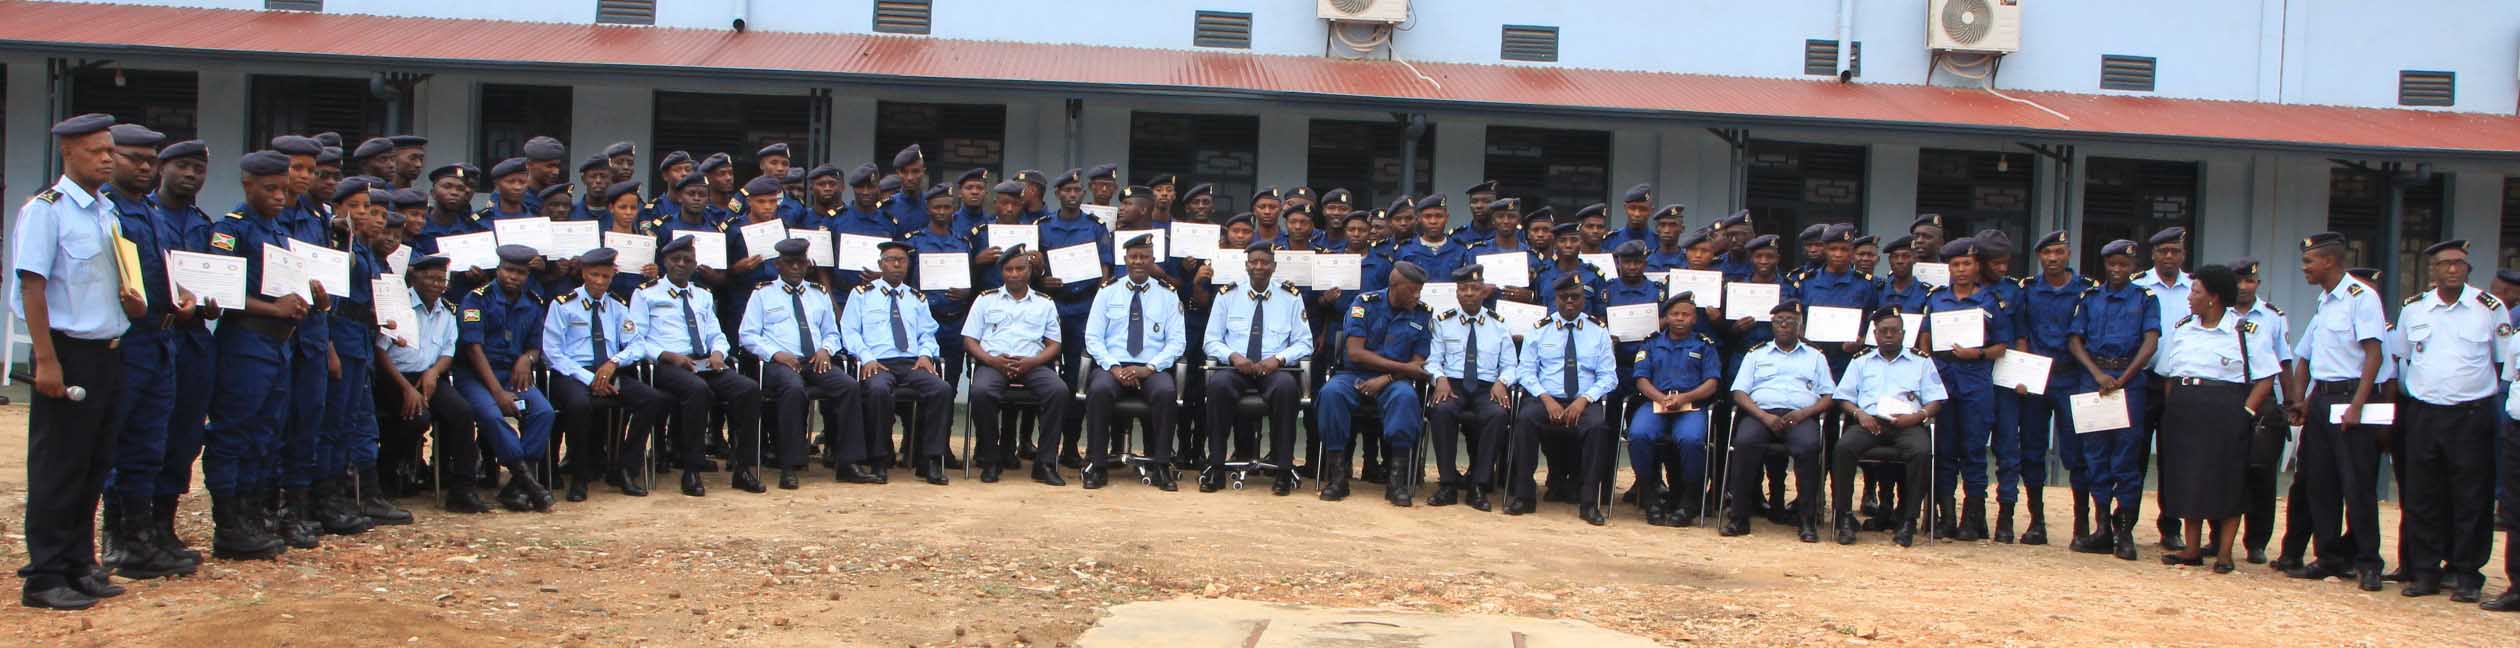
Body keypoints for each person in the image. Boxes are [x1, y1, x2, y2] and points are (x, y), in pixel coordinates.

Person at [12, 113, 150, 608]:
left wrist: (133, 304)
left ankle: (79, 563)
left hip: (109, 352)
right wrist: (45, 360)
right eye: (98, 151)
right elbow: (33, 285)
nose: (108, 158)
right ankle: (45, 576)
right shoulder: (46, 211)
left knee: (94, 464)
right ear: (69, 152)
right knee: (59, 468)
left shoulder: (104, 212)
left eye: (111, 150)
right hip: (67, 352)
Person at [95, 123, 200, 581]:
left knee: (149, 443)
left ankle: (142, 536)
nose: (143, 167)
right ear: (110, 158)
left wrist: (186, 298)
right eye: (132, 158)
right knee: (118, 443)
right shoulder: (109, 212)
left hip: (164, 338)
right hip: (129, 342)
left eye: (149, 160)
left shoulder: (151, 214)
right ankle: (118, 541)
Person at [2391, 240, 2509, 601]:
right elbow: (2402, 359)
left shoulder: (2489, 308)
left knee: (2471, 496)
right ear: (2433, 270)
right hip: (2424, 413)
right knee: (2423, 495)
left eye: (2459, 264)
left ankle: (2467, 573)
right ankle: (2425, 572)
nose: (2453, 269)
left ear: (2468, 269)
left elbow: (2502, 362)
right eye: (2446, 264)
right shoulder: (2414, 309)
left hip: (2471, 415)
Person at [2150, 264, 2282, 573]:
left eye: (2195, 291)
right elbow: (2169, 373)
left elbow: (2265, 378)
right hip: (2185, 408)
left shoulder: (2244, 331)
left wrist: (2246, 411)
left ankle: (2224, 553)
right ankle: (2191, 549)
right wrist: (2175, 408)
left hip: (2226, 409)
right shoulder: (2183, 327)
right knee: (2188, 477)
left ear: (2213, 298)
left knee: (2228, 480)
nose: (2190, 297)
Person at [2286, 231, 2390, 591]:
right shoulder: (2325, 301)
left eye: (2309, 262)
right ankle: (2328, 557)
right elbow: (2314, 359)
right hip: (2323, 400)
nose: (2305, 269)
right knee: (2321, 483)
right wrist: (2304, 401)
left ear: (2329, 260)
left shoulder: (2361, 298)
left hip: (2352, 399)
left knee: (2357, 485)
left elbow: (2373, 355)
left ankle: (2368, 562)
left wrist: (2358, 405)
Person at [632, 235, 765, 496]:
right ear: (665, 262)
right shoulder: (646, 294)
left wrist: (718, 353)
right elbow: (637, 339)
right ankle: (692, 469)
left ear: (695, 265)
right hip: (666, 365)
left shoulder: (702, 295)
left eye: (688, 260)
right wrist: (670, 356)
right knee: (697, 390)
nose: (681, 264)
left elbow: (716, 333)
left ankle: (743, 468)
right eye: (675, 260)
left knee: (748, 389)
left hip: (704, 361)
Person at [540, 248, 671, 502]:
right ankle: (579, 475)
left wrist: (613, 362)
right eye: (594, 275)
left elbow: (637, 344)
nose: (599, 281)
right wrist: (591, 379)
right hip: (573, 374)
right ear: (583, 273)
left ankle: (624, 468)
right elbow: (552, 353)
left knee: (652, 400)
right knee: (579, 404)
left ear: (613, 275)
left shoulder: (618, 306)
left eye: (605, 276)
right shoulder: (563, 304)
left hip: (609, 369)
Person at [739, 239, 863, 491]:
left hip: (814, 360)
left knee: (849, 386)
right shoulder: (762, 293)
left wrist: (825, 350)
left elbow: (832, 332)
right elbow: (748, 335)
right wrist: (775, 354)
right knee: (793, 389)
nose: (796, 267)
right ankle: (789, 466)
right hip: (780, 363)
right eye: (790, 263)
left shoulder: (819, 294)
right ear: (778, 265)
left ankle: (849, 463)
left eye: (801, 263)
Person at [151, 139, 219, 565]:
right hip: (158, 334)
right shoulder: (146, 216)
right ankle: (128, 529)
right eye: (182, 166)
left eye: (198, 168)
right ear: (163, 168)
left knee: (186, 434)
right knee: (146, 434)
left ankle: (164, 524)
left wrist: (216, 301)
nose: (191, 175)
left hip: (194, 337)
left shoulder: (201, 222)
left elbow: (216, 277)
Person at [374, 256, 487, 512]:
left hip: (430, 376)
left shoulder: (446, 310)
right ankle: (388, 477)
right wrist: (406, 389)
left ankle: (462, 489)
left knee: (462, 412)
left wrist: (433, 373)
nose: (437, 285)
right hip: (396, 377)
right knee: (416, 417)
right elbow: (380, 352)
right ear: (414, 277)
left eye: (441, 280)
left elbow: (448, 350)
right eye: (430, 278)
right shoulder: (398, 306)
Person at [1199, 242, 1312, 494]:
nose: (1259, 267)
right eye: (1254, 262)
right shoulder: (1227, 295)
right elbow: (1211, 340)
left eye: (1265, 262)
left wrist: (1279, 359)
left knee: (1286, 389)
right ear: (1246, 265)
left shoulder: (1290, 296)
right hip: (1237, 369)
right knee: (1217, 386)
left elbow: (1305, 343)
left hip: (1274, 371)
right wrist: (1233, 356)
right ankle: (1216, 467)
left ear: (1274, 266)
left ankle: (1282, 470)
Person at [841, 240, 957, 485]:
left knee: (941, 389)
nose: (896, 264)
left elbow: (927, 333)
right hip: (878, 363)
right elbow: (850, 332)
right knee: (878, 390)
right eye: (890, 260)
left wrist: (926, 354)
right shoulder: (862, 295)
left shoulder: (916, 298)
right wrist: (867, 358)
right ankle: (879, 460)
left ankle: (930, 461)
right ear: (880, 264)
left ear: (908, 265)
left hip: (911, 363)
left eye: (901, 260)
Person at [455, 245, 560, 511]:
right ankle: (527, 480)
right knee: (491, 415)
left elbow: (536, 345)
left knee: (544, 412)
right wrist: (498, 393)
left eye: (521, 272)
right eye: (509, 270)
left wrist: (528, 359)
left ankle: (516, 485)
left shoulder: (533, 302)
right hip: (477, 376)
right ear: (498, 269)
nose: (514, 276)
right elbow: (472, 349)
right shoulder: (477, 299)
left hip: (513, 375)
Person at [1828, 306, 1943, 548]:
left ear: (1903, 333)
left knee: (1921, 452)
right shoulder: (1861, 361)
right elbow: (1843, 397)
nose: (1889, 335)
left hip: (1908, 423)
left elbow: (1936, 400)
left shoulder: (1921, 362)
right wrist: (1859, 414)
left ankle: (1907, 521)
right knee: (1843, 448)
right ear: (1875, 334)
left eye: (1894, 331)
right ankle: (1845, 517)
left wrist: (1918, 416)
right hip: (1870, 422)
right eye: (1883, 331)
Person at [1318, 261, 1434, 502]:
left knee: (1405, 398)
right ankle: (1338, 478)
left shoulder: (1422, 313)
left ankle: (1396, 482)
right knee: (1331, 393)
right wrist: (1400, 369)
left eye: (1420, 289)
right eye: (1412, 289)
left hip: (1395, 382)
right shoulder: (1364, 304)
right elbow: (1356, 353)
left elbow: (1418, 365)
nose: (1417, 294)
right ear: (1394, 286)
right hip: (1354, 374)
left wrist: (1388, 377)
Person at [1922, 237, 2013, 541]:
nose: (1961, 270)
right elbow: (1924, 339)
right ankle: (1946, 517)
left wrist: (1979, 354)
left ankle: (1972, 519)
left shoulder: (1991, 301)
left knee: (1973, 450)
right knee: (1944, 450)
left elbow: (2002, 345)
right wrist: (1927, 364)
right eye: (1955, 265)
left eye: (1967, 264)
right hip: (1943, 378)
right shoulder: (1936, 299)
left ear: (1977, 267)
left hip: (1975, 379)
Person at [1081, 234, 1188, 491]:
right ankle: (1097, 464)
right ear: (1125, 259)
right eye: (1133, 257)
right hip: (1113, 365)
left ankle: (1161, 466)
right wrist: (1114, 367)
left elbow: (1177, 343)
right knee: (1099, 390)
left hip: (1151, 366)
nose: (1139, 261)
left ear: (1153, 260)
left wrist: (1149, 368)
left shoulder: (1168, 296)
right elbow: (1093, 338)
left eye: (1144, 257)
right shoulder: (1108, 292)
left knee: (1165, 392)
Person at [1721, 302, 1835, 540]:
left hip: (1800, 416)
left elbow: (1828, 396)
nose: (1784, 325)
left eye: (1790, 321)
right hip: (1762, 414)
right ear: (1772, 325)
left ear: (1799, 326)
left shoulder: (1815, 357)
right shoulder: (1756, 354)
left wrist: (1805, 413)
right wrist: (1763, 416)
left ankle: (1806, 521)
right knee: (1744, 443)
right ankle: (1739, 518)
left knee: (1809, 448)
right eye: (1779, 321)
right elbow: (1739, 393)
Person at [1510, 275, 1619, 524]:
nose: (1570, 302)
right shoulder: (1539, 330)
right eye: (1564, 297)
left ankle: (1589, 502)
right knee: (1525, 420)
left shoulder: (1598, 332)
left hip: (1584, 400)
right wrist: (1546, 399)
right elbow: (1525, 371)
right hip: (1545, 397)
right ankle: (1523, 496)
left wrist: (1584, 400)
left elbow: (1609, 377)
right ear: (1555, 299)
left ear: (1584, 299)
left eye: (1575, 297)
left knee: (1597, 427)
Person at [963, 246, 1072, 485]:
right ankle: (991, 460)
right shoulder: (985, 300)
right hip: (993, 363)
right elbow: (970, 339)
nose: (1014, 274)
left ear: (1030, 270)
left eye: (1019, 268)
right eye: (1008, 269)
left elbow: (1054, 344)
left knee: (1058, 391)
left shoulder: (1044, 303)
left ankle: (1044, 464)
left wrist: (1033, 361)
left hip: (1033, 364)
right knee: (981, 392)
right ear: (1002, 272)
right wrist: (991, 360)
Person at [2016, 231, 2094, 546]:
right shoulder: (2028, 289)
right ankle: (2037, 522)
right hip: (2036, 377)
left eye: (2059, 252)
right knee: (2032, 449)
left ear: (2069, 254)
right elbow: (2021, 331)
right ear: (2039, 257)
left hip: (2071, 377)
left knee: (2077, 452)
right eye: (2047, 253)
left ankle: (2081, 525)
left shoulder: (2087, 290)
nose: (2053, 259)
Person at [1424, 264, 1516, 510]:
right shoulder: (1443, 322)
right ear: (1456, 293)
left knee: (1497, 415)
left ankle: (1478, 484)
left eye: (1474, 288)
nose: (1468, 294)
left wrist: (1502, 382)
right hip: (1452, 384)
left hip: (1488, 387)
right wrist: (1438, 378)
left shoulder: (1499, 325)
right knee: (1441, 411)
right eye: (1463, 289)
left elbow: (1510, 365)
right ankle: (1447, 484)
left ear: (1484, 292)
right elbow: (1433, 359)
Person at [1628, 291, 1722, 527]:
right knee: (1639, 435)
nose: (1680, 318)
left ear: (1694, 319)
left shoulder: (1704, 345)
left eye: (1685, 314)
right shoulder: (1651, 343)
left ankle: (1689, 501)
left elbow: (1712, 382)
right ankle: (1650, 498)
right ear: (1666, 318)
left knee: (1690, 440)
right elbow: (1641, 379)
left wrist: (1684, 398)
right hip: (1656, 403)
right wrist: (1661, 398)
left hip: (1691, 405)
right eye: (1674, 314)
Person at [2130, 227, 2195, 551]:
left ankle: (2171, 525)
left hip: (2180, 384)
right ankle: (2124, 521)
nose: (2169, 257)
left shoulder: (2196, 289)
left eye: (2175, 251)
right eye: (2163, 251)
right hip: (2143, 380)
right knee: (2134, 454)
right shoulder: (2137, 285)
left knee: (2174, 457)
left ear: (2183, 254)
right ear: (2153, 254)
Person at [2229, 258, 2297, 565]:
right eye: (2239, 281)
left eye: (2250, 282)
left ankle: (2256, 541)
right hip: (2227, 395)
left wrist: (2292, 402)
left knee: (2261, 472)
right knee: (2225, 468)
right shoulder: (2218, 312)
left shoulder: (2273, 317)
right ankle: (2219, 539)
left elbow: (2283, 362)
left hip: (2264, 396)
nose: (2244, 288)